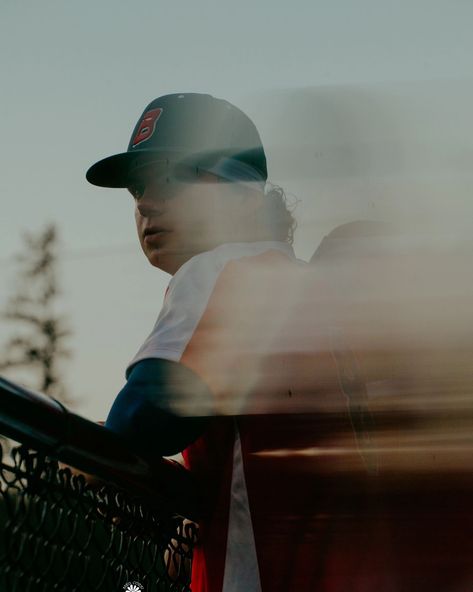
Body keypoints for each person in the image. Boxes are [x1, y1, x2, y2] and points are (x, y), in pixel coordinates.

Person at [86, 93, 363, 592]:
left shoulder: (224, 271)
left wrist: (86, 458)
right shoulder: (309, 290)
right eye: (137, 188)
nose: (146, 201)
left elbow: (148, 414)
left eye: (171, 178)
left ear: (241, 192)